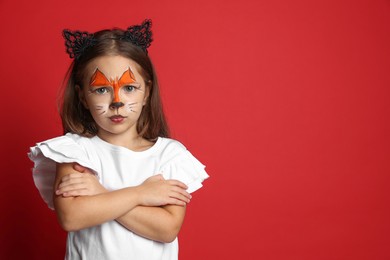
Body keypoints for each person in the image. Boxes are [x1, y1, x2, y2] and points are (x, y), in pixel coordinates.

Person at [28, 19, 208, 260]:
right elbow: (72, 217)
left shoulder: (170, 155)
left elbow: (166, 229)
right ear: (82, 97)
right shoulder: (75, 151)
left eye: (129, 88)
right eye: (101, 90)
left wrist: (100, 192)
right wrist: (141, 194)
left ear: (147, 92)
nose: (117, 102)